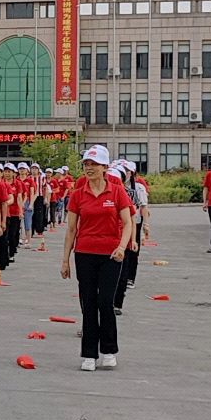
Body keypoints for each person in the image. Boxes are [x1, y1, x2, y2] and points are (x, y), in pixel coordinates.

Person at [60, 145, 134, 372]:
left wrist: (122, 246)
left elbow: (128, 222)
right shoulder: (78, 195)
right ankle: (89, 354)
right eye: (86, 164)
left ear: (104, 167)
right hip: (85, 254)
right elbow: (71, 229)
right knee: (89, 304)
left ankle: (109, 350)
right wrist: (65, 260)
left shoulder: (116, 191)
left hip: (111, 255)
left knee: (105, 303)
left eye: (94, 164)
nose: (89, 168)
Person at [113, 162, 151, 314]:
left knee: (130, 257)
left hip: (130, 228)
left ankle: (126, 286)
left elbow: (138, 211)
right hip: (112, 233)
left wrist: (144, 227)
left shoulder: (137, 189)